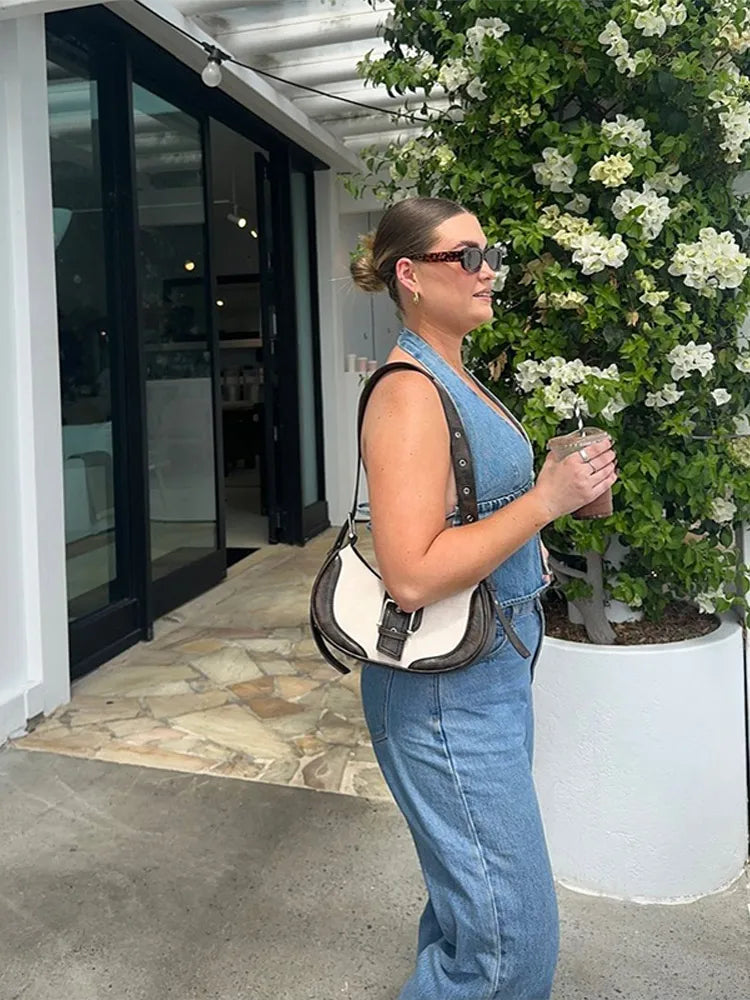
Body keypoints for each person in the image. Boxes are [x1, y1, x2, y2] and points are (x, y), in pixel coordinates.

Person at [349, 196, 618, 1000]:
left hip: (489, 669)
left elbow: (477, 520)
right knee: (508, 949)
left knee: (474, 915)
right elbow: (411, 574)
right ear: (411, 275)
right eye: (465, 256)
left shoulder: (455, 375)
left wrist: (560, 499)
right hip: (445, 693)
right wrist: (542, 501)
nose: (488, 270)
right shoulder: (408, 391)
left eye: (488, 253)